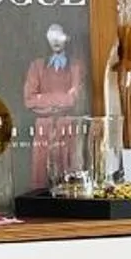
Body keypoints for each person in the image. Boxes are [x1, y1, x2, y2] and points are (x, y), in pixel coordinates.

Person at [21, 21, 84, 185]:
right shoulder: (37, 66)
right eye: (51, 35)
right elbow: (29, 100)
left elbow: (74, 99)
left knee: (70, 174)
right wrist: (62, 98)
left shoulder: (76, 66)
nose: (55, 40)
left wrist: (44, 99)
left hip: (68, 125)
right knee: (41, 177)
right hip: (44, 126)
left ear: (67, 38)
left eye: (59, 35)